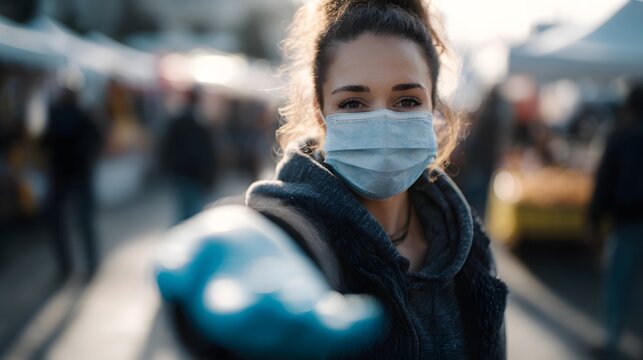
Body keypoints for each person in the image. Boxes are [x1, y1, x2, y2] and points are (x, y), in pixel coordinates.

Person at [154, 0, 508, 359]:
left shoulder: (468, 247)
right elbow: (273, 231)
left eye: (406, 101)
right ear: (320, 113)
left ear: (434, 106)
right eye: (353, 103)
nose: (383, 122)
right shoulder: (295, 242)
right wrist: (232, 234)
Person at [588, 84, 643, 359]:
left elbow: (605, 181)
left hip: (626, 221)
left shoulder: (620, 136)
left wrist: (595, 221)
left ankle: (611, 339)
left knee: (617, 285)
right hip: (628, 219)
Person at [43, 88, 102, 278]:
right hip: (72, 175)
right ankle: (84, 265)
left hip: (65, 175)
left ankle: (70, 266)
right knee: (81, 222)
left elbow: (45, 142)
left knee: (71, 223)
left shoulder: (63, 114)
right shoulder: (80, 114)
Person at [160, 88, 217, 222]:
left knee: (185, 210)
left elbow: (167, 146)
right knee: (192, 212)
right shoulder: (200, 122)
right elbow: (206, 152)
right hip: (193, 173)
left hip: (183, 172)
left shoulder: (179, 120)